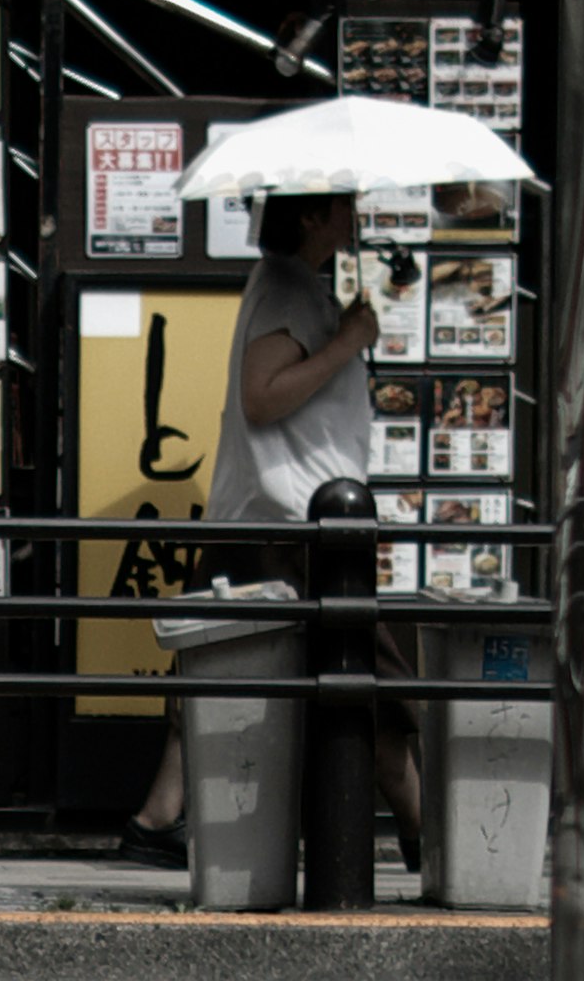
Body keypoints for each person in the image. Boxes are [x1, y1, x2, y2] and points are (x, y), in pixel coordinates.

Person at [120, 188, 425, 871]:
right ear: (311, 215)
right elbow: (264, 397)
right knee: (367, 679)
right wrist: (349, 341)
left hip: (261, 510)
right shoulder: (288, 290)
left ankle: (157, 816)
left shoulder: (289, 286)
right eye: (344, 204)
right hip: (292, 519)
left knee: (215, 663)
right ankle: (424, 829)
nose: (357, 215)